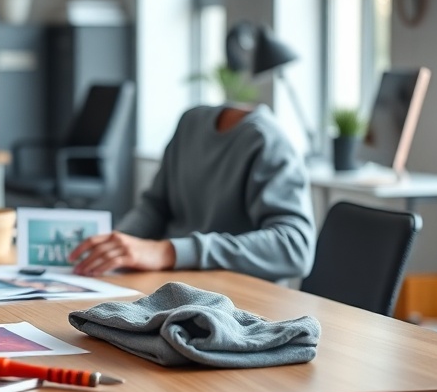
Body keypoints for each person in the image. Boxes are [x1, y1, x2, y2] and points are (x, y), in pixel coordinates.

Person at [70, 104, 316, 281]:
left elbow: (295, 246)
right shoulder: (190, 122)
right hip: (170, 283)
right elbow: (156, 205)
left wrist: (169, 252)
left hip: (237, 303)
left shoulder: (269, 141)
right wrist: (119, 244)